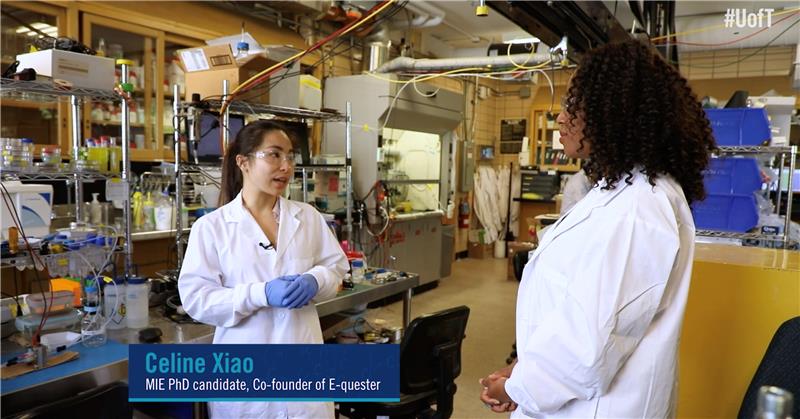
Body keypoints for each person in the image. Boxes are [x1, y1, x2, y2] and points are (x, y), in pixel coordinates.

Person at [479, 39, 716, 418]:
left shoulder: (638, 208)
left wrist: (517, 385)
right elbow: (580, 315)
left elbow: (589, 347)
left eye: (574, 105)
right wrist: (524, 370)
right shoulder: (618, 192)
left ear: (616, 112)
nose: (561, 118)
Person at [179, 120, 349, 419]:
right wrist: (259, 294)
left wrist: (315, 279)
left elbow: (335, 267)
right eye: (274, 154)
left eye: (290, 156)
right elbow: (197, 300)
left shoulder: (307, 217)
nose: (285, 165)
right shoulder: (212, 227)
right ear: (243, 162)